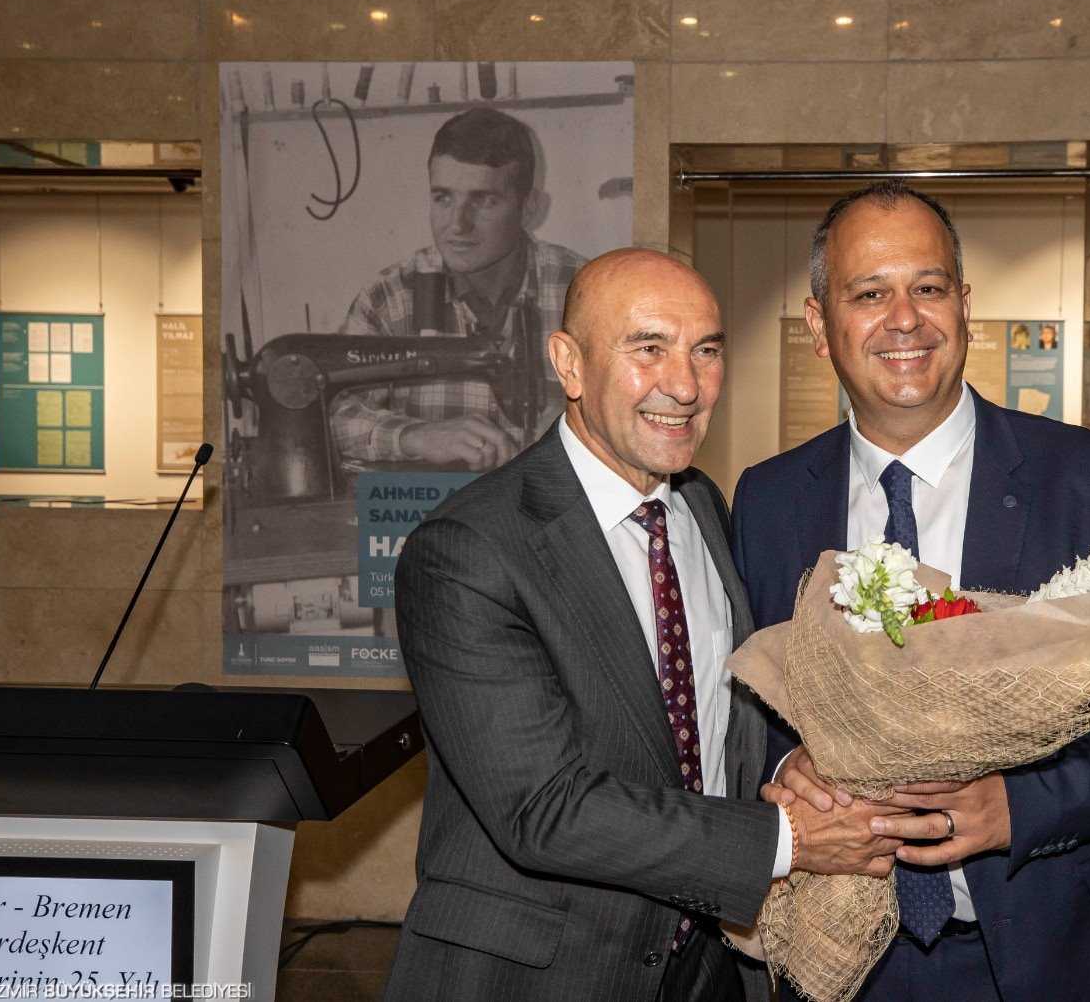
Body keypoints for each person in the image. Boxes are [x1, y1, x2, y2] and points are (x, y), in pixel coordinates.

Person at [731, 182, 1090, 1001]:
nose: (904, 319)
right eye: (869, 294)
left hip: (1055, 952)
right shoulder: (769, 499)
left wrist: (1019, 807)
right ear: (820, 325)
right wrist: (789, 764)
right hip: (847, 964)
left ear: (964, 308)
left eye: (928, 287)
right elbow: (737, 708)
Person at [384, 249, 903, 1001]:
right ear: (569, 364)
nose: (685, 386)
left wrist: (789, 771)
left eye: (707, 351)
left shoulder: (701, 507)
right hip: (538, 976)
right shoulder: (469, 550)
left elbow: (713, 728)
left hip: (703, 971)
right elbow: (543, 808)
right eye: (648, 348)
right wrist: (788, 840)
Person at [329, 107, 587, 472]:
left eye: (484, 200)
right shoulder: (389, 298)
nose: (458, 225)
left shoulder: (587, 292)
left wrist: (585, 426)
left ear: (529, 207)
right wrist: (417, 437)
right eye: (443, 198)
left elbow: (636, 409)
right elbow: (336, 414)